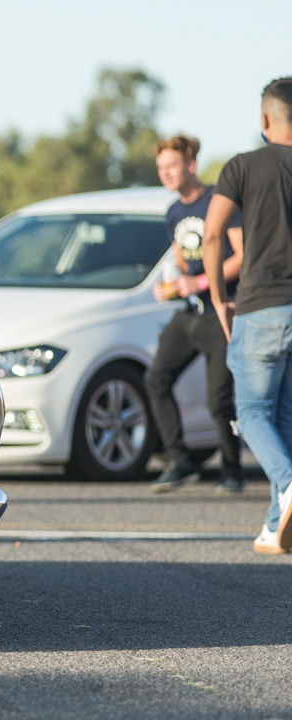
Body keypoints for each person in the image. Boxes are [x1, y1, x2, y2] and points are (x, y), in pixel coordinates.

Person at [202, 77, 292, 554]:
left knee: (253, 411)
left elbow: (212, 235)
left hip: (262, 306)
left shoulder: (243, 166)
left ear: (264, 118)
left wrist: (219, 297)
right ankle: (277, 525)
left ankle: (289, 482)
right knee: (285, 416)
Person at [146, 135, 244, 494]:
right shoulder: (174, 211)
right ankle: (180, 460)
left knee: (218, 399)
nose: (165, 173)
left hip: (221, 310)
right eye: (161, 167)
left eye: (171, 166)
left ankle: (232, 470)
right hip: (190, 313)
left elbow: (242, 256)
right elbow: (184, 262)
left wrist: (201, 282)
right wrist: (173, 287)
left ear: (191, 165)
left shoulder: (219, 200)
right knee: (156, 379)